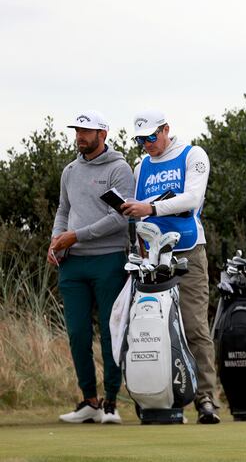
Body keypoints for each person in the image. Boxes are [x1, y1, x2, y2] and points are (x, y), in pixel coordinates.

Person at [119, 109, 220, 424]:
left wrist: (151, 207)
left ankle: (206, 399)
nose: (146, 144)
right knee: (152, 326)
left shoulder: (193, 154)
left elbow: (192, 198)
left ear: (165, 130)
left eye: (151, 136)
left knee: (193, 326)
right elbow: (138, 215)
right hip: (150, 257)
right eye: (140, 139)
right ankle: (158, 395)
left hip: (187, 250)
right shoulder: (141, 166)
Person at [50, 110, 134, 424]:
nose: (80, 137)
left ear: (103, 134)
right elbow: (63, 210)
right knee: (77, 334)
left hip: (109, 259)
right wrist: (56, 239)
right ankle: (89, 401)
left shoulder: (119, 168)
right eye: (77, 131)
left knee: (112, 332)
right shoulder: (70, 170)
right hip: (72, 264)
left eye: (86, 131)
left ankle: (111, 403)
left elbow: (119, 218)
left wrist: (76, 236)